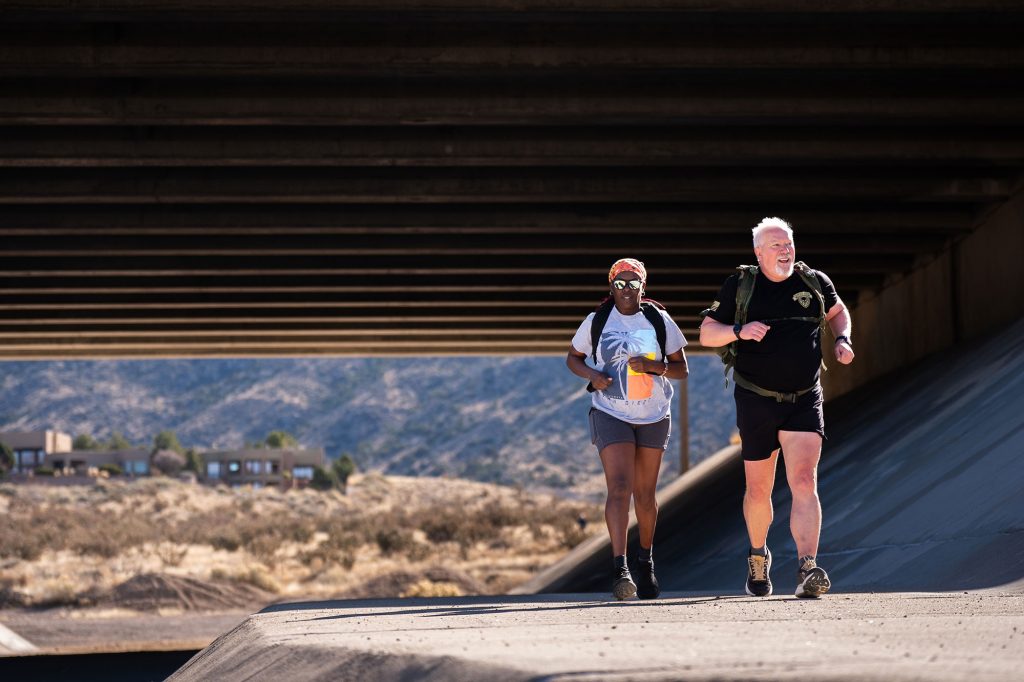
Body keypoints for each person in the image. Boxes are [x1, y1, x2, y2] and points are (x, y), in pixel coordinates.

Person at [699, 217, 855, 598]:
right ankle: (757, 556)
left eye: (788, 244)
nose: (784, 251)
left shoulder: (813, 281)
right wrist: (739, 331)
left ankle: (807, 568)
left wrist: (843, 339)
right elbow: (705, 333)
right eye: (775, 245)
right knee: (759, 489)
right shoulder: (741, 285)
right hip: (756, 400)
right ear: (758, 252)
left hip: (804, 397)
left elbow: (837, 312)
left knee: (804, 481)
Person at [567, 258, 688, 600]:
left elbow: (682, 370)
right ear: (610, 286)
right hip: (610, 412)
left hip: (653, 415)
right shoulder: (598, 321)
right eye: (619, 283)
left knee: (645, 495)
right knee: (619, 487)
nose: (626, 289)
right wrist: (594, 376)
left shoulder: (658, 320)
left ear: (643, 287)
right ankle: (620, 569)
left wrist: (653, 366)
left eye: (633, 283)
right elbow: (573, 358)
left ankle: (645, 560)